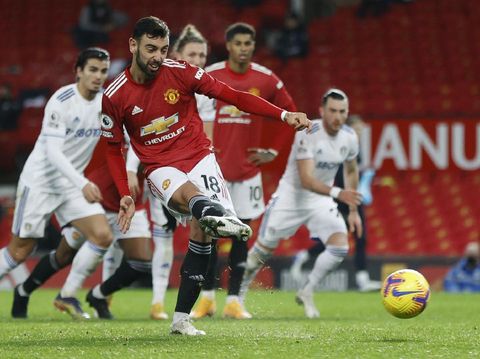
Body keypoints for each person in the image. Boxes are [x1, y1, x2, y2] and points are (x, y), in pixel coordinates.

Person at [101, 16, 310, 336]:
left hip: (199, 157)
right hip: (159, 166)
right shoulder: (114, 95)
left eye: (163, 49)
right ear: (133, 45)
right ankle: (217, 212)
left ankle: (180, 320)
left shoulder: (181, 72)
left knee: (203, 237)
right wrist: (125, 192)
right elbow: (113, 148)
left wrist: (283, 114)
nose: (158, 56)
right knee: (191, 200)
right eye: (150, 49)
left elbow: (235, 97)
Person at [190, 22, 296, 320]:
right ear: (229, 45)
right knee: (210, 233)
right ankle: (208, 298)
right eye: (238, 43)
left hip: (248, 172)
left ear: (253, 45)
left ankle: (235, 300)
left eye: (248, 43)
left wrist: (273, 150)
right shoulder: (211, 74)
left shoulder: (266, 79)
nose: (244, 48)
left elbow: (290, 111)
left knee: (241, 236)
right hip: (214, 171)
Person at [0, 48, 113, 310]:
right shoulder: (61, 101)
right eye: (92, 70)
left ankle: (67, 294)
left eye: (103, 71)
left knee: (102, 235)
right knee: (19, 252)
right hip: (40, 182)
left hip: (70, 186)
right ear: (78, 71)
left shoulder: (105, 103)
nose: (98, 76)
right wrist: (83, 182)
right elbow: (52, 152)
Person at [239, 88, 362, 318]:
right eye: (333, 111)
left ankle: (307, 290)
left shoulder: (349, 137)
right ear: (322, 111)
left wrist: (353, 210)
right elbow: (306, 180)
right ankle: (238, 295)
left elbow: (352, 169)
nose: (338, 116)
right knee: (262, 252)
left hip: (321, 200)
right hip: (291, 197)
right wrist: (339, 193)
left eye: (342, 112)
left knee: (339, 246)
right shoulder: (307, 131)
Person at [290, 115, 381, 292]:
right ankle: (305, 256)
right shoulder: (341, 145)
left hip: (352, 197)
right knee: (340, 237)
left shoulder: (355, 147)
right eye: (358, 128)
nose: (361, 131)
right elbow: (340, 174)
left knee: (358, 237)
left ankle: (363, 279)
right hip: (342, 197)